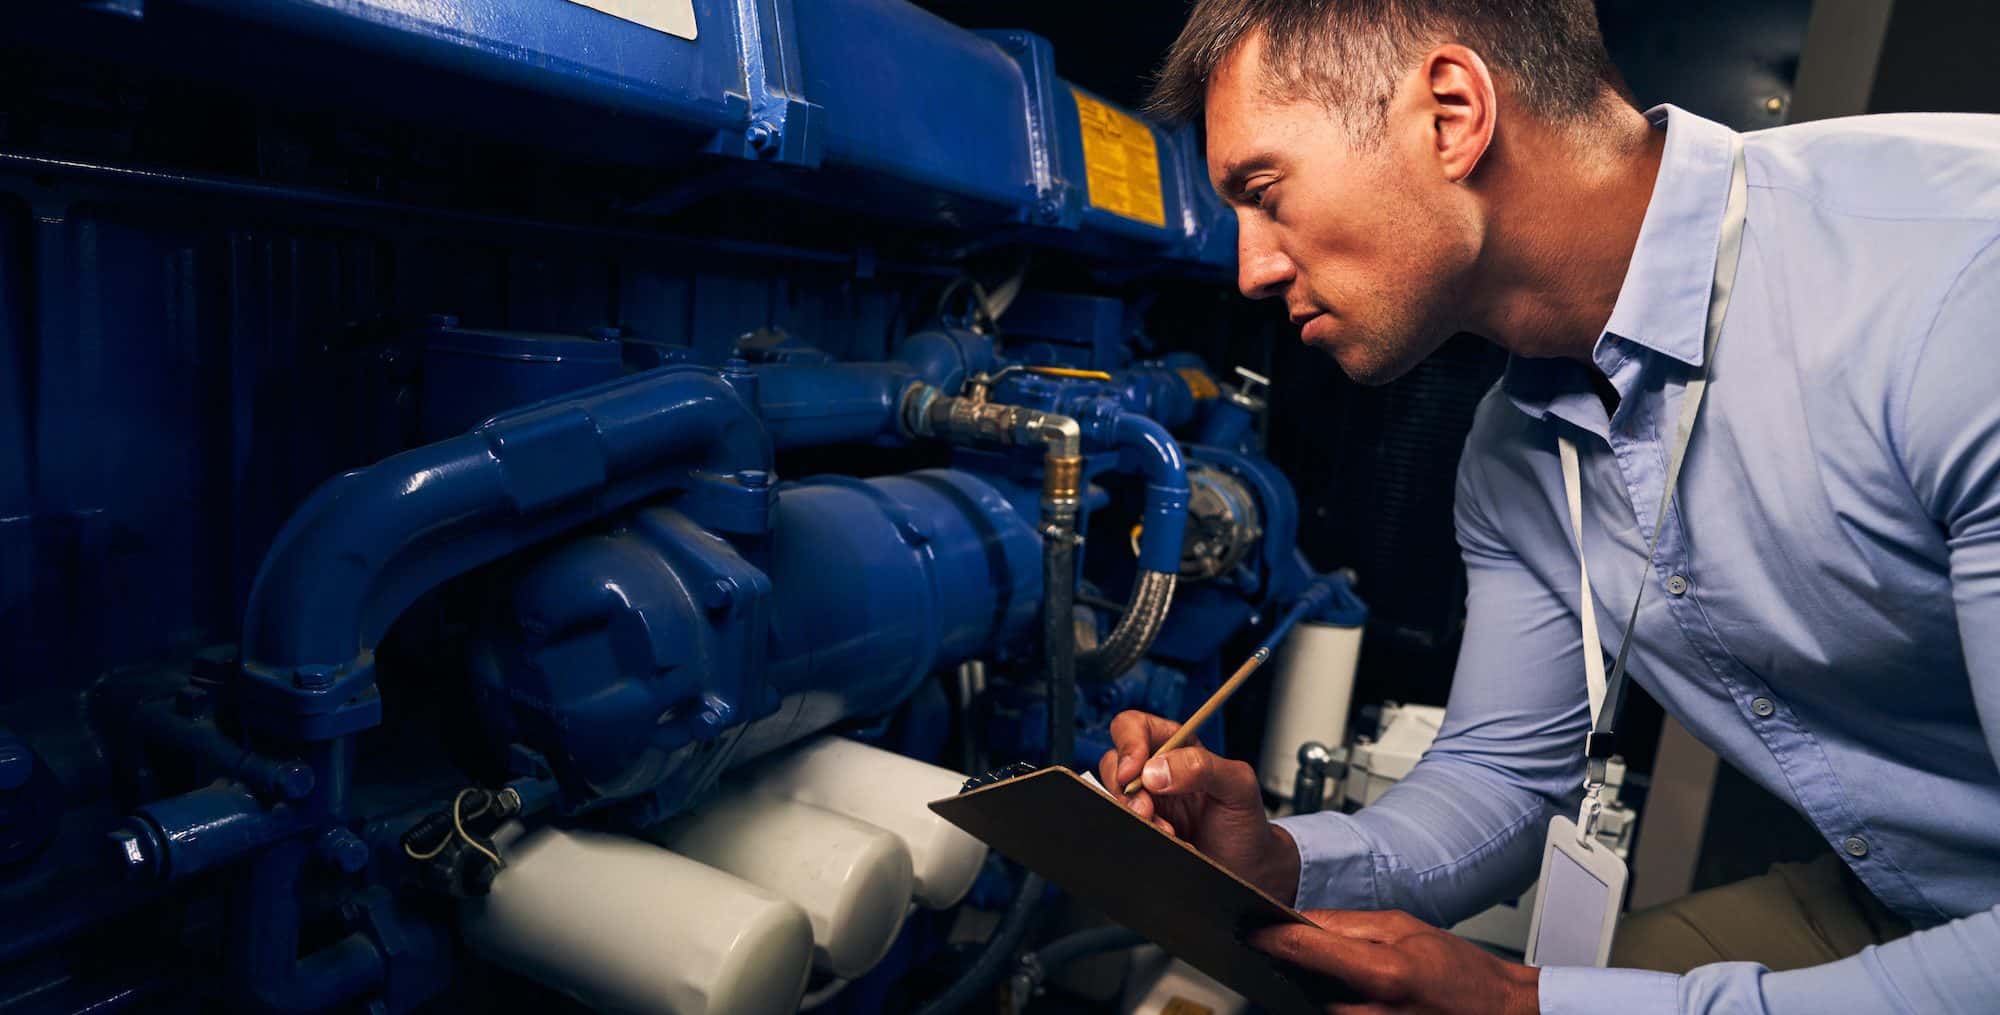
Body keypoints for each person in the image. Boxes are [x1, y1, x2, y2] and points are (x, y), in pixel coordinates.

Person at [1098, 2, 2000, 1013]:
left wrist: (1524, 1005)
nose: (1250, 269)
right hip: (1899, 895)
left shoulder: (1957, 286)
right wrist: (1279, 864)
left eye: (1264, 193)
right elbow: (1500, 780)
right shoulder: (1511, 450)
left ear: (1450, 115)